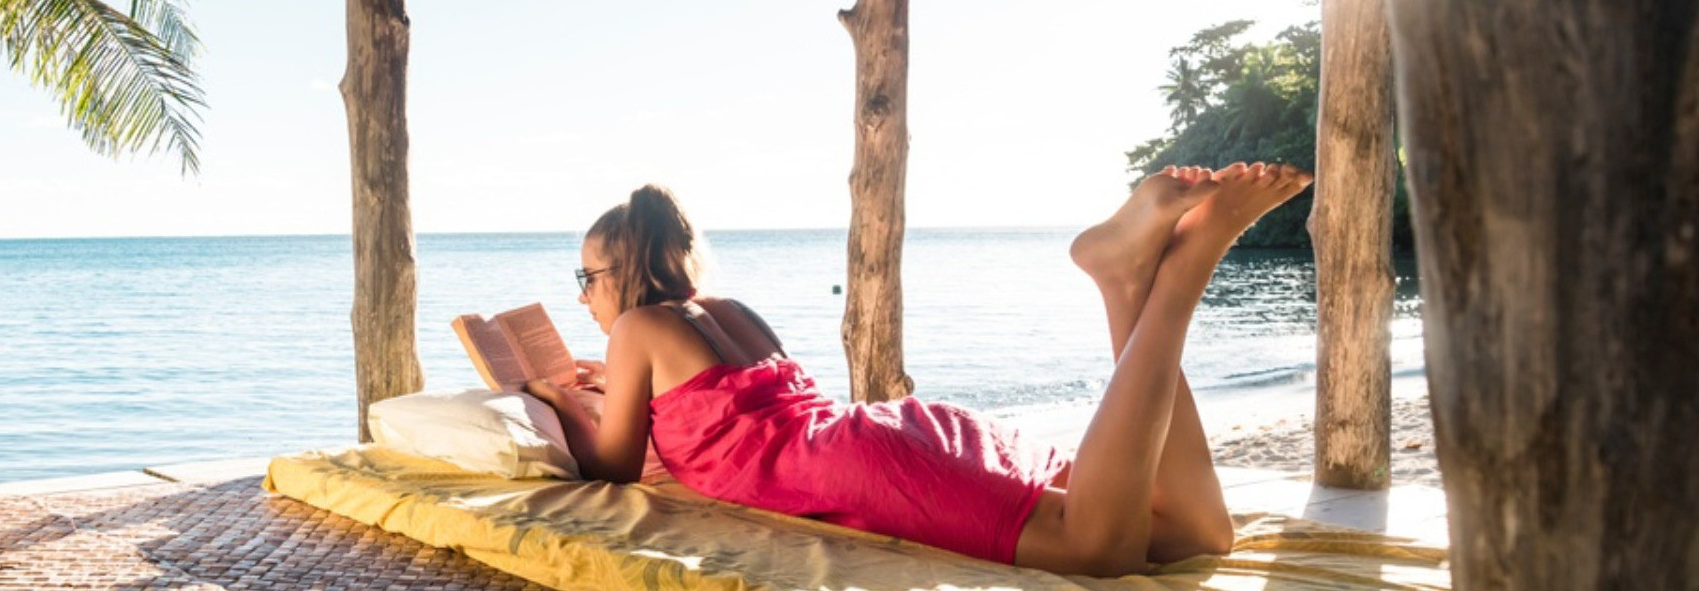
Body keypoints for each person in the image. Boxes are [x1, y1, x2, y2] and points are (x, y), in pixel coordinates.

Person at [522, 164, 1313, 576]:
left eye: (587, 277)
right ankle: (1124, 281)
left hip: (862, 467)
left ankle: (1188, 266)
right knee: (1198, 535)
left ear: (623, 270)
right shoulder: (724, 310)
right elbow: (729, 415)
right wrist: (613, 383)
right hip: (881, 434)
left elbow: (614, 467)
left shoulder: (634, 328)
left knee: (1098, 550)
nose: (585, 293)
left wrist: (560, 396)